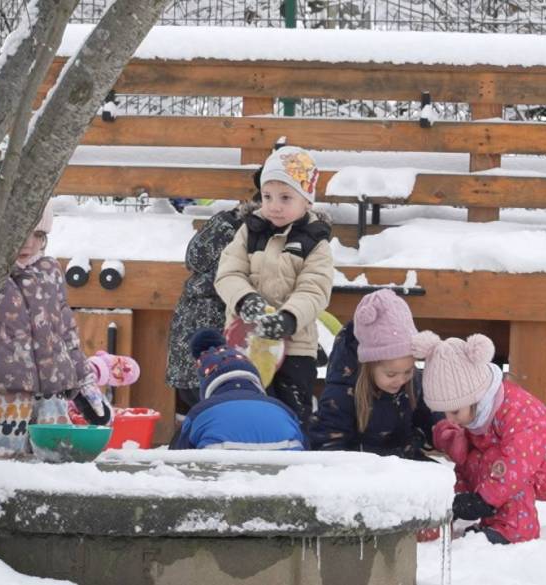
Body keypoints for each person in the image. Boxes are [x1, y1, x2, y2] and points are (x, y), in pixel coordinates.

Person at [0, 204, 137, 459]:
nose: (29, 243)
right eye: (20, 232)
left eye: (38, 235)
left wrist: (85, 385)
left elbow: (65, 334)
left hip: (50, 399)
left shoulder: (48, 270)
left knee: (53, 475)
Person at [413, 331, 546, 544]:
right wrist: (460, 499)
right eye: (443, 412)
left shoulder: (517, 411)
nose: (451, 419)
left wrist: (484, 500)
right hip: (516, 462)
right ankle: (457, 514)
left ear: (475, 397)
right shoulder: (478, 411)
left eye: (454, 412)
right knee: (475, 457)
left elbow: (517, 463)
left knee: (501, 464)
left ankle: (512, 530)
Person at [214, 146, 334, 426]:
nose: (274, 206)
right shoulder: (249, 231)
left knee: (291, 410)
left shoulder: (315, 241)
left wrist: (289, 318)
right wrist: (245, 300)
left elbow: (314, 289)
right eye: (267, 197)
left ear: (307, 201)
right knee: (247, 406)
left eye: (285, 197)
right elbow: (228, 273)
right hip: (245, 342)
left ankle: (292, 455)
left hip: (295, 347)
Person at [166, 171, 262, 414]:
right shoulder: (247, 231)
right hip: (215, 344)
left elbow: (194, 257)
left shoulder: (225, 222)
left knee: (199, 402)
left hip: (192, 336)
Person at [308, 289, 437, 460]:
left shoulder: (412, 382)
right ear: (368, 366)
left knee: (444, 480)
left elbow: (428, 416)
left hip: (403, 462)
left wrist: (443, 433)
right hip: (361, 470)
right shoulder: (342, 394)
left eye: (408, 371)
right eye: (391, 374)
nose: (400, 380)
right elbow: (328, 443)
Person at [170, 329, 305, 450]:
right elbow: (305, 446)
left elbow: (177, 457)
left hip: (221, 472)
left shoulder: (200, 413)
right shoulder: (283, 410)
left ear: (208, 384)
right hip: (283, 472)